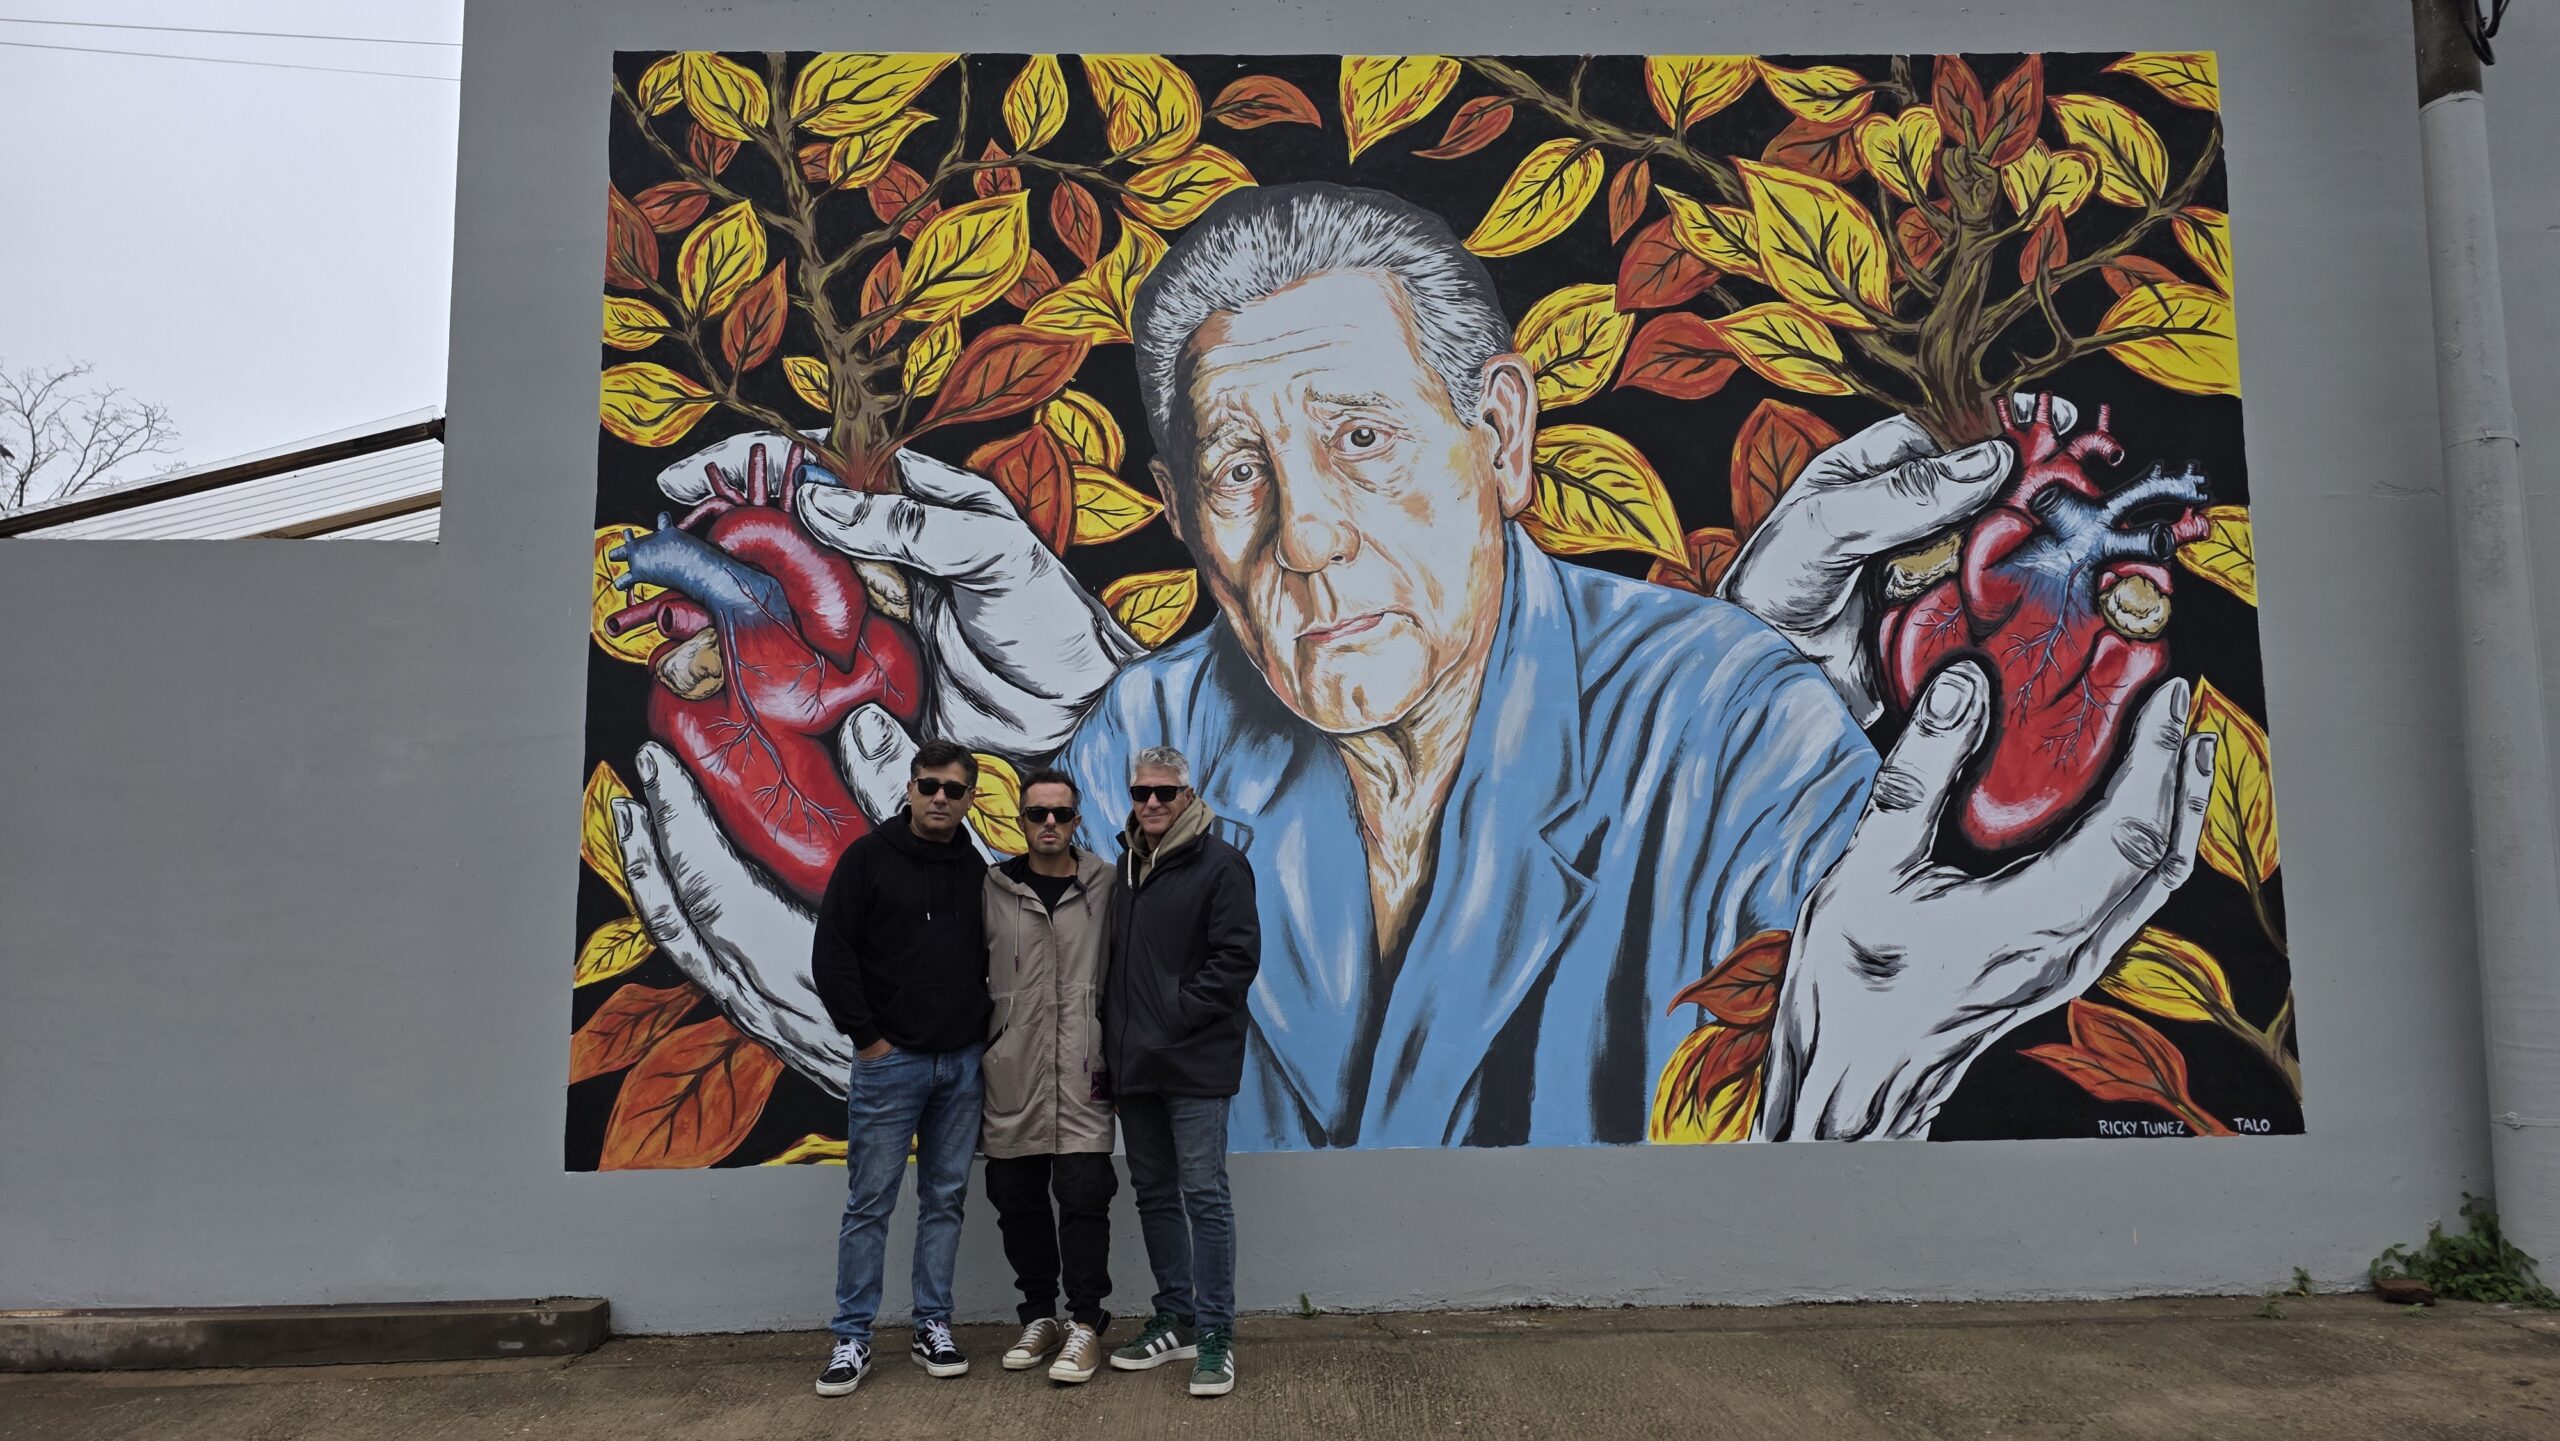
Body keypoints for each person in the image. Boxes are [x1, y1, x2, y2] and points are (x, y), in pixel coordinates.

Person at [618, 183, 2214, 1154]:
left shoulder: (1729, 722)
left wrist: (1851, 1078)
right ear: (1175, 513)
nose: (1304, 535)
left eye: (1364, 439)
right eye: (1238, 469)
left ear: (1502, 437)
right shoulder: (1140, 740)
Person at [808, 741, 988, 1398]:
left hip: (962, 1064)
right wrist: (869, 1039)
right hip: (892, 1064)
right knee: (870, 1203)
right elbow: (832, 955)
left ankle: (931, 1325)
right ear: (910, 789)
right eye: (930, 784)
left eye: (954, 788)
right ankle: (852, 1335)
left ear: (970, 798)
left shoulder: (977, 868)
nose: (941, 796)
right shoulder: (867, 860)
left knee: (945, 1199)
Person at [1100, 746, 1259, 1397]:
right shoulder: (1127, 869)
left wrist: (1173, 1016)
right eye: (1143, 793)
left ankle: (1216, 1330)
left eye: (1167, 793)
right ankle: (1176, 1315)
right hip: (1135, 1064)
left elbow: (1235, 959)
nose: (1154, 804)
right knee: (1155, 1192)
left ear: (1189, 796)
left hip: (1194, 1060)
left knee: (1203, 1192)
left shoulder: (1221, 865)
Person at [979, 767, 1120, 1384]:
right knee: (1016, 1197)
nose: (1050, 825)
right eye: (1038, 814)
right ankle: (1039, 1316)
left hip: (1085, 1068)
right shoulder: (992, 888)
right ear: (1021, 820)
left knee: (1087, 1195)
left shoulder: (1107, 886)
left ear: (1077, 819)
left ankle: (1085, 1323)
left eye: (1061, 814)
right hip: (1013, 1069)